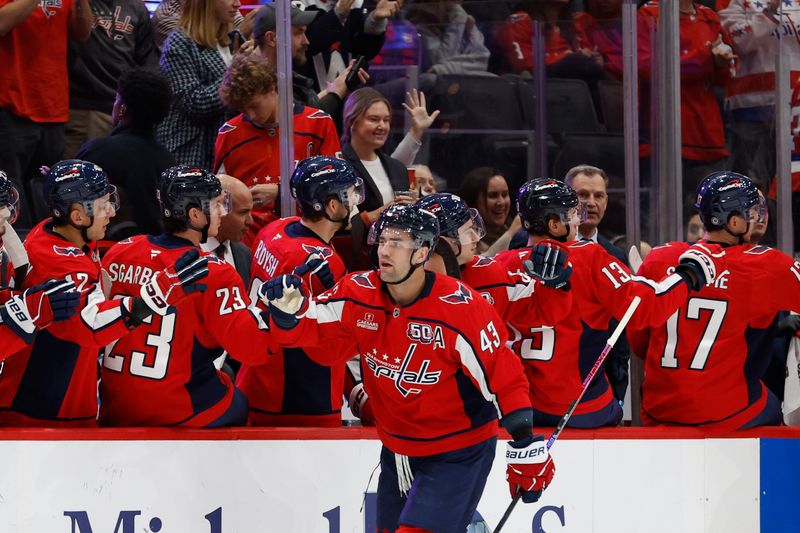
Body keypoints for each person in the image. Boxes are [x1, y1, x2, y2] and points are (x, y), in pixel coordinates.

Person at [261, 203, 556, 533]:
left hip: (457, 451)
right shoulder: (357, 292)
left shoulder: (462, 308)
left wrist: (524, 444)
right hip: (398, 449)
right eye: (382, 241)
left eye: (397, 243)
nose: (384, 251)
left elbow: (505, 378)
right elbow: (313, 331)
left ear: (422, 253)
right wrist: (287, 314)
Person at [497, 178, 726, 428]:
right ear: (554, 224)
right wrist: (687, 276)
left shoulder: (500, 264)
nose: (577, 221)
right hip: (580, 409)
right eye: (573, 214)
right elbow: (645, 309)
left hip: (517, 408)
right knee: (612, 406)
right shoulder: (589, 256)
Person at [0, 160, 207, 426]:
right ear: (77, 217)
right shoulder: (60, 264)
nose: (111, 212)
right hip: (44, 414)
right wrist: (156, 295)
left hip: (54, 402)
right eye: (103, 205)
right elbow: (92, 326)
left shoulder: (58, 232)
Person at [98, 165, 274, 427]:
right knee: (239, 398)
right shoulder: (214, 271)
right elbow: (253, 351)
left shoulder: (120, 252)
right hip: (176, 410)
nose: (222, 212)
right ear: (195, 215)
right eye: (217, 205)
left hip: (116, 404)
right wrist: (274, 316)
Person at [631, 171, 800, 430]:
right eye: (752, 212)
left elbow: (639, 338)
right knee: (776, 405)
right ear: (734, 222)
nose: (758, 217)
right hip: (725, 414)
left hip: (659, 409)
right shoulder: (766, 265)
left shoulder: (659, 257)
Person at [237, 156, 364, 427]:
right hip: (298, 393)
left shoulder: (275, 229)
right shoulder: (322, 261)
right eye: (351, 195)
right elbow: (331, 337)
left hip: (257, 378)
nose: (355, 203)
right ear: (332, 205)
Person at [214, 54, 341, 245]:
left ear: (272, 88)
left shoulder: (318, 124)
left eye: (254, 106)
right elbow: (219, 198)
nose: (250, 115)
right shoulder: (229, 134)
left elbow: (338, 194)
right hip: (250, 246)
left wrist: (282, 193)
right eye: (242, 109)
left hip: (306, 242)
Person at [0, 0, 91, 228]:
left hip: (53, 106)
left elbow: (83, 33)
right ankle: (14, 259)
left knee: (48, 195)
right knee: (11, 195)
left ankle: (45, 251)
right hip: (12, 105)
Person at [638, 0, 735, 210]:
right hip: (666, 134)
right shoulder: (650, 13)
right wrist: (705, 58)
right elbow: (650, 67)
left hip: (707, 135)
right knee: (663, 216)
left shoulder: (709, 17)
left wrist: (720, 63)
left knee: (711, 216)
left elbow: (727, 74)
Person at [76, 67, 175, 238]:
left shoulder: (97, 151)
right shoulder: (168, 161)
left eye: (116, 99)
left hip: (104, 251)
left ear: (122, 109)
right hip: (156, 254)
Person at [564, 164, 631, 401]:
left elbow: (619, 326)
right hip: (555, 376)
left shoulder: (615, 255)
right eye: (582, 195)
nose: (591, 203)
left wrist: (619, 380)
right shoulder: (542, 247)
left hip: (601, 382)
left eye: (598, 196)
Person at [64, 0, 158, 159]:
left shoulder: (137, 8)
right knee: (76, 178)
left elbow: (147, 62)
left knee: (114, 178)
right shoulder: (73, 4)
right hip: (81, 108)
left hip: (123, 111)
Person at [0, 172, 81, 356]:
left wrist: (17, 298)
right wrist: (26, 311)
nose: (6, 212)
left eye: (5, 204)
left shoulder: (8, 246)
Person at [157, 0, 241, 169]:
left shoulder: (233, 40)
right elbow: (193, 103)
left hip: (228, 149)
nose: (238, 4)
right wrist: (235, 71)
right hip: (191, 154)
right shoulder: (179, 42)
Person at [341, 88, 416, 270]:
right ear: (352, 121)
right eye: (374, 119)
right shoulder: (339, 165)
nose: (382, 126)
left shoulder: (397, 168)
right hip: (355, 264)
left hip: (396, 263)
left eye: (386, 120)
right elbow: (338, 225)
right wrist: (378, 214)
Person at [458, 167, 519, 255]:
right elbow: (481, 263)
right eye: (493, 196)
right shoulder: (465, 240)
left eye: (505, 195)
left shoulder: (515, 231)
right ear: (473, 201)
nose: (501, 202)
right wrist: (511, 233)